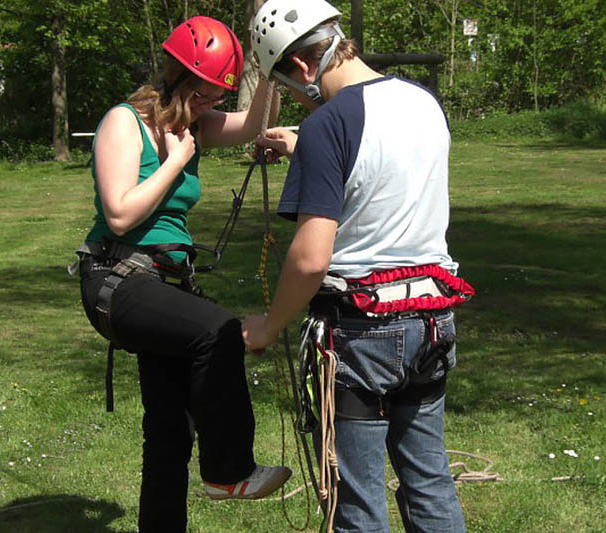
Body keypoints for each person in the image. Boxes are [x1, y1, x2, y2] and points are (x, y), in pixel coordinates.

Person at [241, 1, 469, 531]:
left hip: (362, 334)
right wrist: (309, 149)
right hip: (431, 319)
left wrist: (269, 326)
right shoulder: (422, 102)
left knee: (356, 502)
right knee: (429, 482)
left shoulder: (329, 124)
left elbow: (310, 257)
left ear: (300, 67)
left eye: (289, 87)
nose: (298, 99)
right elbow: (380, 172)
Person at [77, 16, 290, 533]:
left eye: (219, 93)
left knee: (169, 431)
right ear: (176, 76)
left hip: (163, 281)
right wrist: (175, 163)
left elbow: (252, 125)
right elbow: (121, 215)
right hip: (117, 278)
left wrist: (268, 69)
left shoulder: (192, 123)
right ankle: (228, 471)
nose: (212, 103)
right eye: (206, 91)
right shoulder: (125, 123)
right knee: (218, 332)